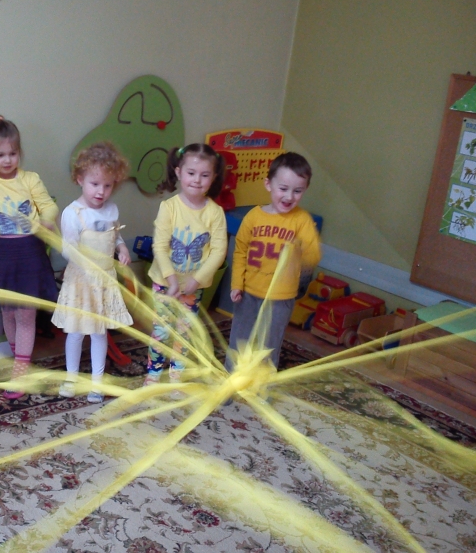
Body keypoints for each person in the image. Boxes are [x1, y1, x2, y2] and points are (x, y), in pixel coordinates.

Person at [0, 116, 59, 399]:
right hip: (0, 254)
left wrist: (47, 220)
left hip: (29, 252)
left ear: (20, 152)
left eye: (13, 154)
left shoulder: (30, 179)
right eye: (0, 155)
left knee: (26, 313)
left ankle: (20, 372)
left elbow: (48, 206)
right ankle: (19, 361)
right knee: (8, 311)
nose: (7, 160)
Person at [51, 142, 133, 404]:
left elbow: (115, 235)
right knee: (76, 332)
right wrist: (88, 266)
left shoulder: (111, 210)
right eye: (95, 184)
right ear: (80, 179)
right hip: (81, 282)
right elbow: (69, 249)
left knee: (99, 332)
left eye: (107, 185)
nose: (101, 191)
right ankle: (71, 378)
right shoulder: (72, 213)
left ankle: (97, 382)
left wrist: (121, 248)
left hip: (104, 281)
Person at [226, 152, 321, 373]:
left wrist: (302, 249)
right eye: (283, 188)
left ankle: (263, 385)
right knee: (239, 341)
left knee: (269, 346)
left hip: (281, 298)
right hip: (248, 294)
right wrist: (237, 284)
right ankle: (230, 379)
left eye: (297, 191)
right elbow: (240, 251)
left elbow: (313, 256)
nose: (289, 196)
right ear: (268, 184)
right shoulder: (253, 217)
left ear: (305, 189)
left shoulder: (302, 221)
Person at [144, 144, 228, 387]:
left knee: (184, 332)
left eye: (205, 175)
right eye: (191, 173)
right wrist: (171, 280)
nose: (197, 180)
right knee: (162, 331)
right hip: (164, 285)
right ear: (179, 172)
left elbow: (219, 251)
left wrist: (196, 280)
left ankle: (176, 377)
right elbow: (160, 246)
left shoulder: (215, 213)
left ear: (213, 177)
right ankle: (153, 374)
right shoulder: (169, 207)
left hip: (193, 287)